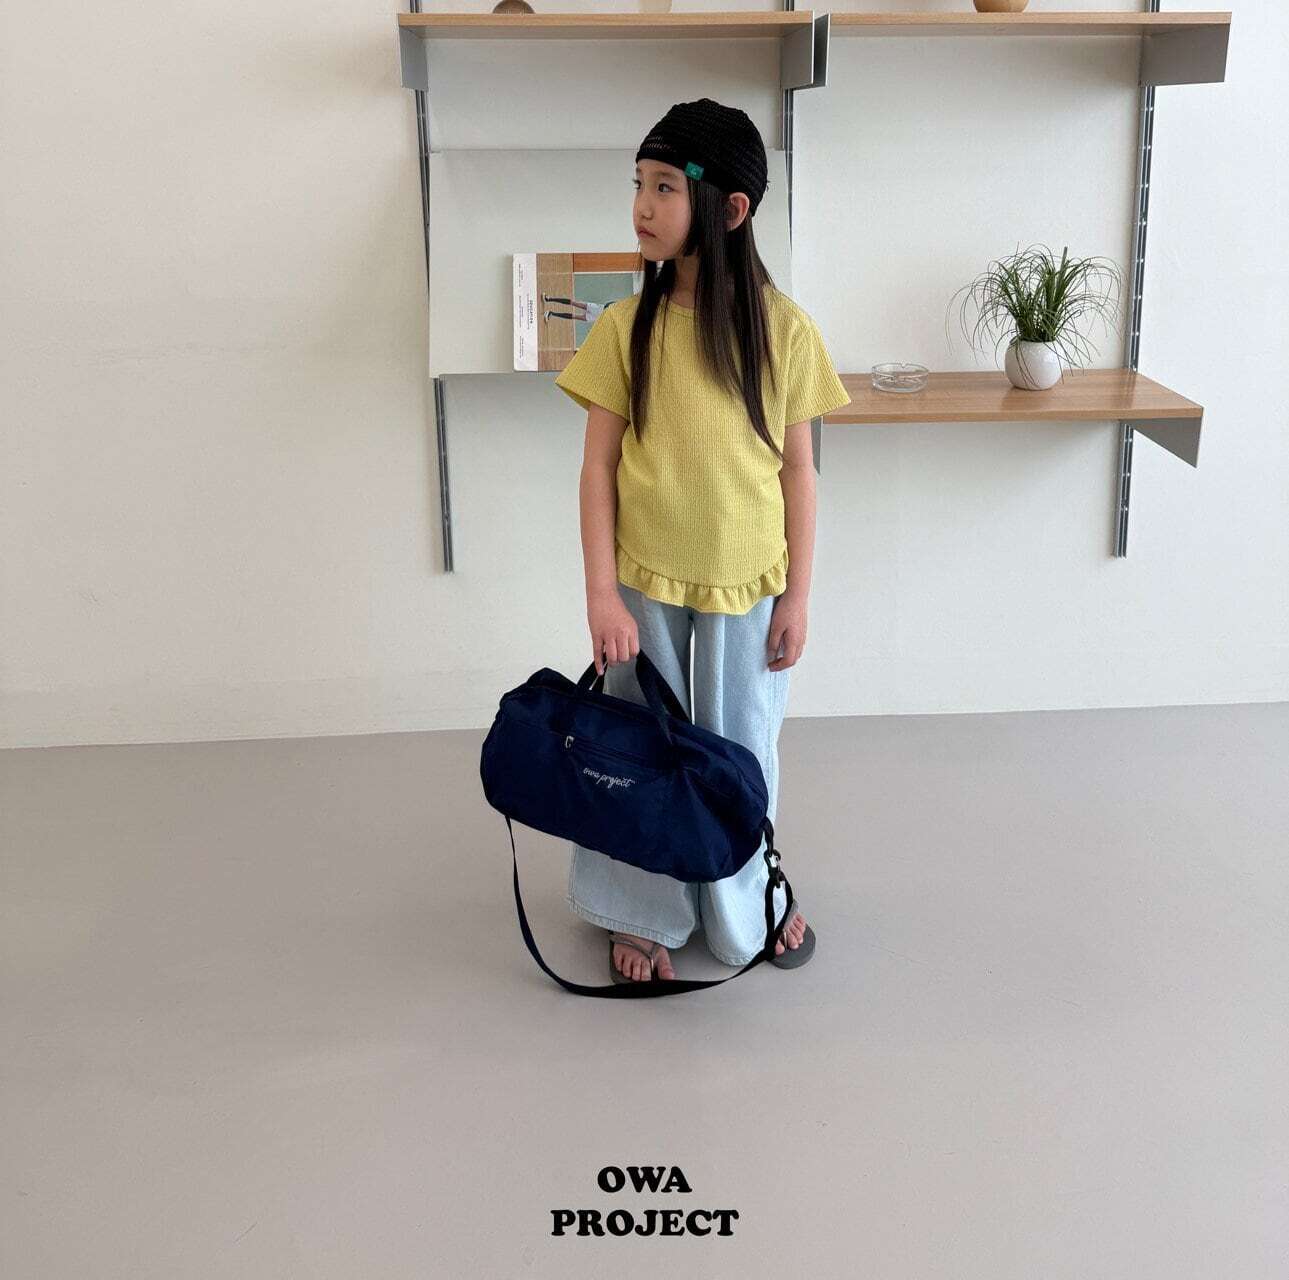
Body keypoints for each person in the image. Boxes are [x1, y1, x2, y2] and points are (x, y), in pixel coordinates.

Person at [552, 98, 852, 983]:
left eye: (662, 188)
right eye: (636, 185)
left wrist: (798, 598)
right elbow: (596, 469)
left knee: (740, 752)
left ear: (730, 209)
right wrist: (601, 596)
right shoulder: (623, 328)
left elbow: (799, 473)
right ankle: (640, 909)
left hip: (748, 586)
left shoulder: (785, 332)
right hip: (642, 586)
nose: (640, 206)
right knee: (640, 749)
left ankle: (744, 898)